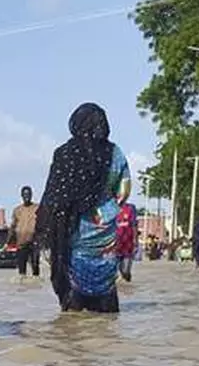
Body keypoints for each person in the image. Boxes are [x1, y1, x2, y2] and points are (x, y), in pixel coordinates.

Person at [34, 103, 130, 314]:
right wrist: (106, 208)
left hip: (73, 233)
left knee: (74, 314)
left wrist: (47, 230)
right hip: (106, 235)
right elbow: (124, 191)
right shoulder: (115, 153)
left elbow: (53, 196)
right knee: (107, 299)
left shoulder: (64, 154)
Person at [9, 186, 41, 277]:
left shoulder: (37, 208)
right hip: (21, 243)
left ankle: (36, 285)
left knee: (35, 265)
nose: (27, 196)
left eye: (28, 194)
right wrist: (8, 241)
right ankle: (22, 284)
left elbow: (44, 223)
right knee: (21, 269)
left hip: (34, 241)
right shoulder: (17, 210)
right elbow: (13, 226)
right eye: (25, 195)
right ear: (21, 196)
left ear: (31, 195)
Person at [115, 193, 137, 282]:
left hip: (128, 242)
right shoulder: (110, 209)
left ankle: (127, 276)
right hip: (115, 242)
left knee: (126, 271)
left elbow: (134, 225)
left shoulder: (130, 208)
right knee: (117, 266)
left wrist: (135, 239)